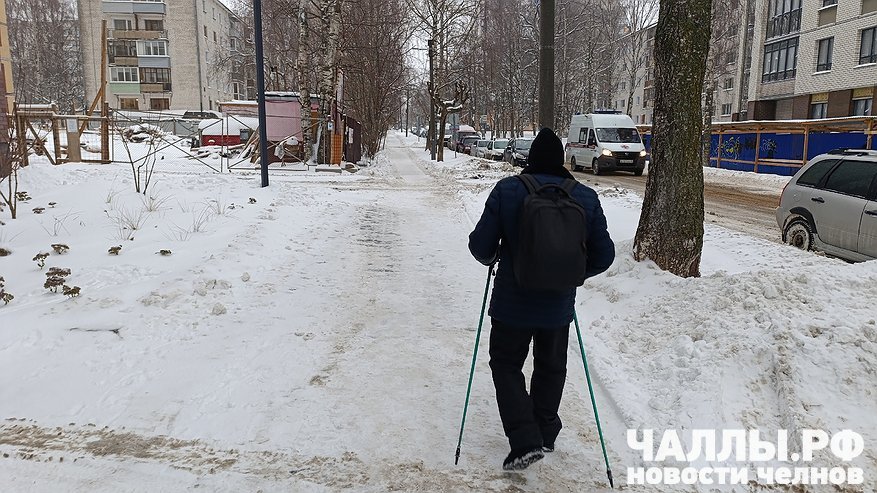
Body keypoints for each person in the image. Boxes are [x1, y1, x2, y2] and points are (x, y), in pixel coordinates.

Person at [468, 127, 615, 471]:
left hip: (511, 303)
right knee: (551, 366)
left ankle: (524, 440)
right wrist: (572, 273)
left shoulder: (507, 190)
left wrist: (493, 257)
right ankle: (546, 431)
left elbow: (480, 246)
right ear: (561, 161)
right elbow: (604, 256)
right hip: (558, 306)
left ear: (530, 160)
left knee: (506, 365)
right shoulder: (586, 197)